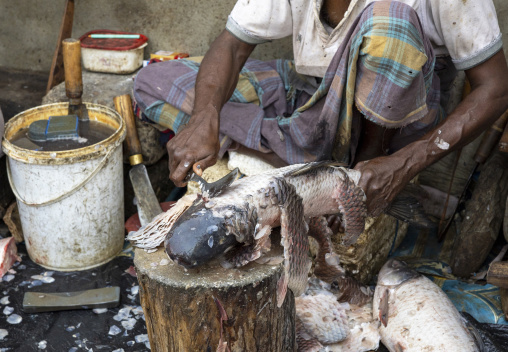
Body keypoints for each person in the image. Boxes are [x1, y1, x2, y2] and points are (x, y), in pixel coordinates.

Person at [133, 0, 508, 219]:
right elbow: (232, 46)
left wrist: (406, 164)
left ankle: (356, 176)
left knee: (391, 21)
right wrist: (204, 120)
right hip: (314, 94)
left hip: (393, 120)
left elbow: (496, 88)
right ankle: (298, 167)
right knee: (154, 83)